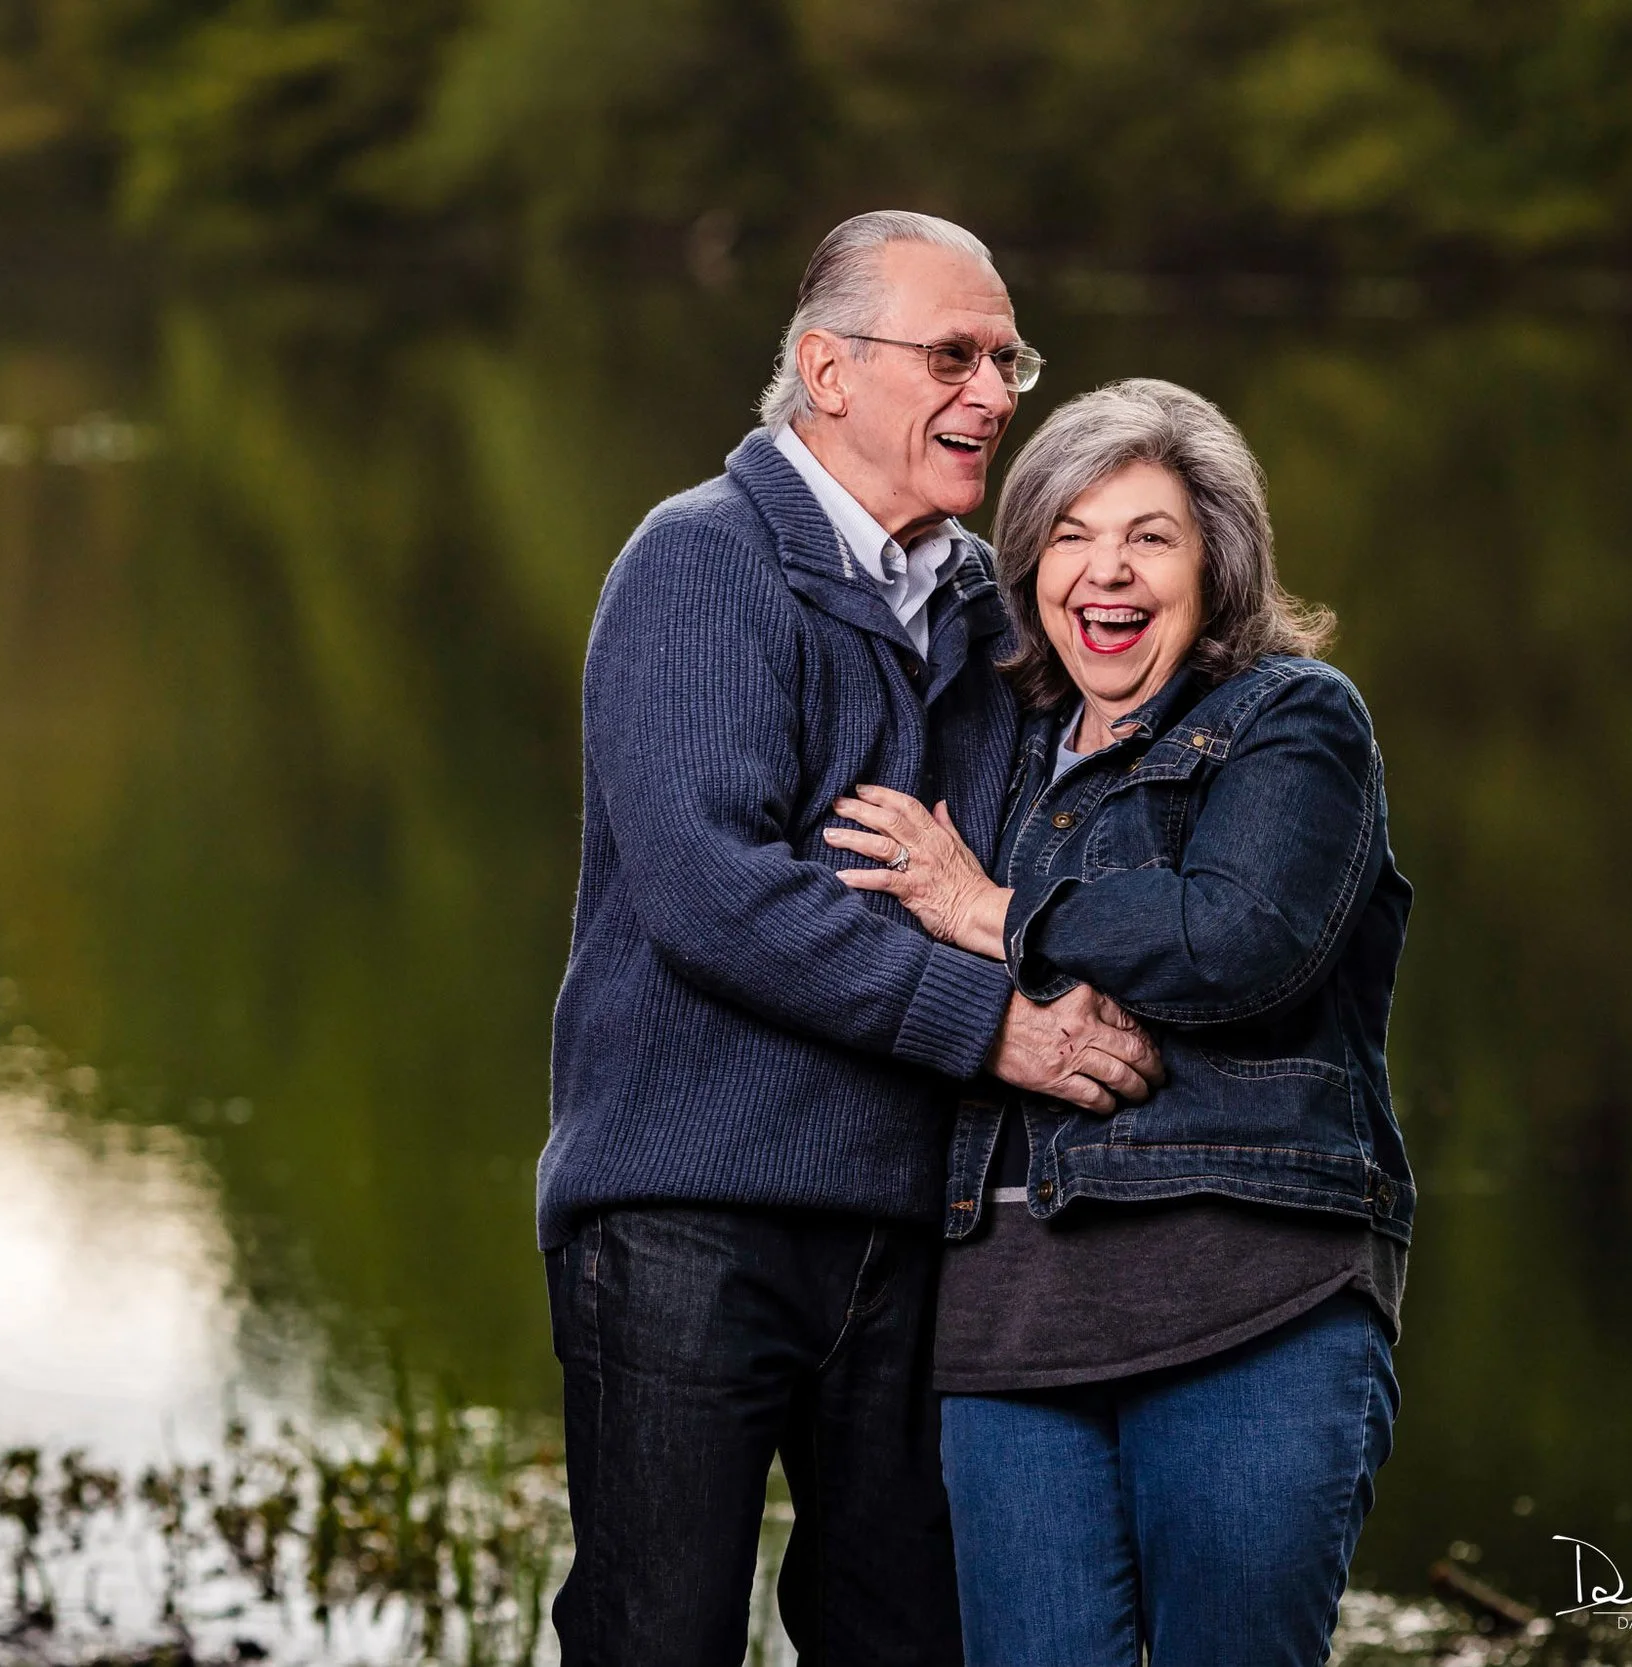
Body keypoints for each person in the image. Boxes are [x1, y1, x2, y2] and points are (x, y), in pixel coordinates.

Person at [538, 212, 1164, 1666]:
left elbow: (1056, 851)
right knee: (657, 1637)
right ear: (826, 370)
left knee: (904, 1639)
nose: (995, 392)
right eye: (953, 356)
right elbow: (716, 894)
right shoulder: (700, 560)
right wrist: (995, 1026)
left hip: (915, 1227)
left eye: (1007, 359)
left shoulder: (988, 607)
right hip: (688, 1213)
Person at [825, 378, 1414, 1667]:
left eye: (1152, 536)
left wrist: (992, 912)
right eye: (1072, 536)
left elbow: (1236, 944)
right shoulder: (996, 750)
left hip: (1252, 1299)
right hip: (1010, 1333)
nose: (1108, 571)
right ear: (1032, 570)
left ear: (1216, 565)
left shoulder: (1291, 718)